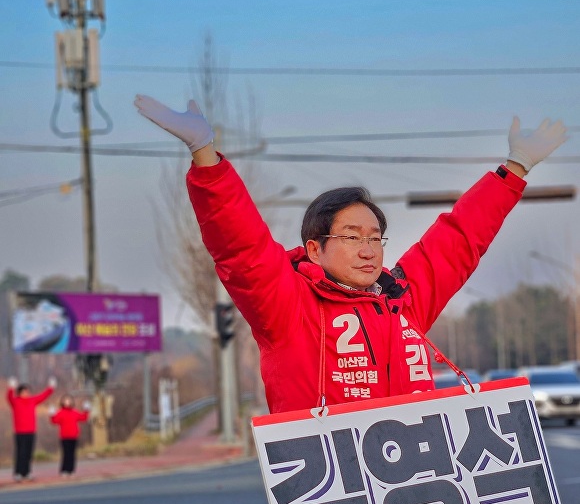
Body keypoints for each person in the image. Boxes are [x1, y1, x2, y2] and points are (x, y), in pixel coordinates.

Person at [135, 94, 567, 414]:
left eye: (375, 238)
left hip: (424, 495)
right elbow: (240, 247)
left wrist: (515, 168)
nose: (368, 251)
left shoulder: (404, 301)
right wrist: (206, 158)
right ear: (314, 249)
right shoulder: (288, 307)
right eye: (352, 237)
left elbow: (458, 240)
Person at [6, 375, 57, 481]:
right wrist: (11, 387)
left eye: (28, 391)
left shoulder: (32, 400)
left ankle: (27, 472)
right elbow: (9, 397)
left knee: (29, 453)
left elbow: (43, 396)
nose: (26, 393)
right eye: (24, 391)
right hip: (20, 432)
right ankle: (18, 473)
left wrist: (51, 388)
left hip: (31, 431)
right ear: (19, 393)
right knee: (20, 453)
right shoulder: (15, 401)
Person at [49, 395, 91, 476]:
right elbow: (54, 421)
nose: (67, 402)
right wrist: (51, 415)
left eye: (69, 401)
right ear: (62, 403)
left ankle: (71, 470)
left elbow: (83, 418)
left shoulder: (74, 412)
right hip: (64, 436)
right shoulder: (60, 413)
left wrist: (87, 410)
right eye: (66, 401)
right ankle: (64, 470)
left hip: (74, 436)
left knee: (72, 453)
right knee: (66, 453)